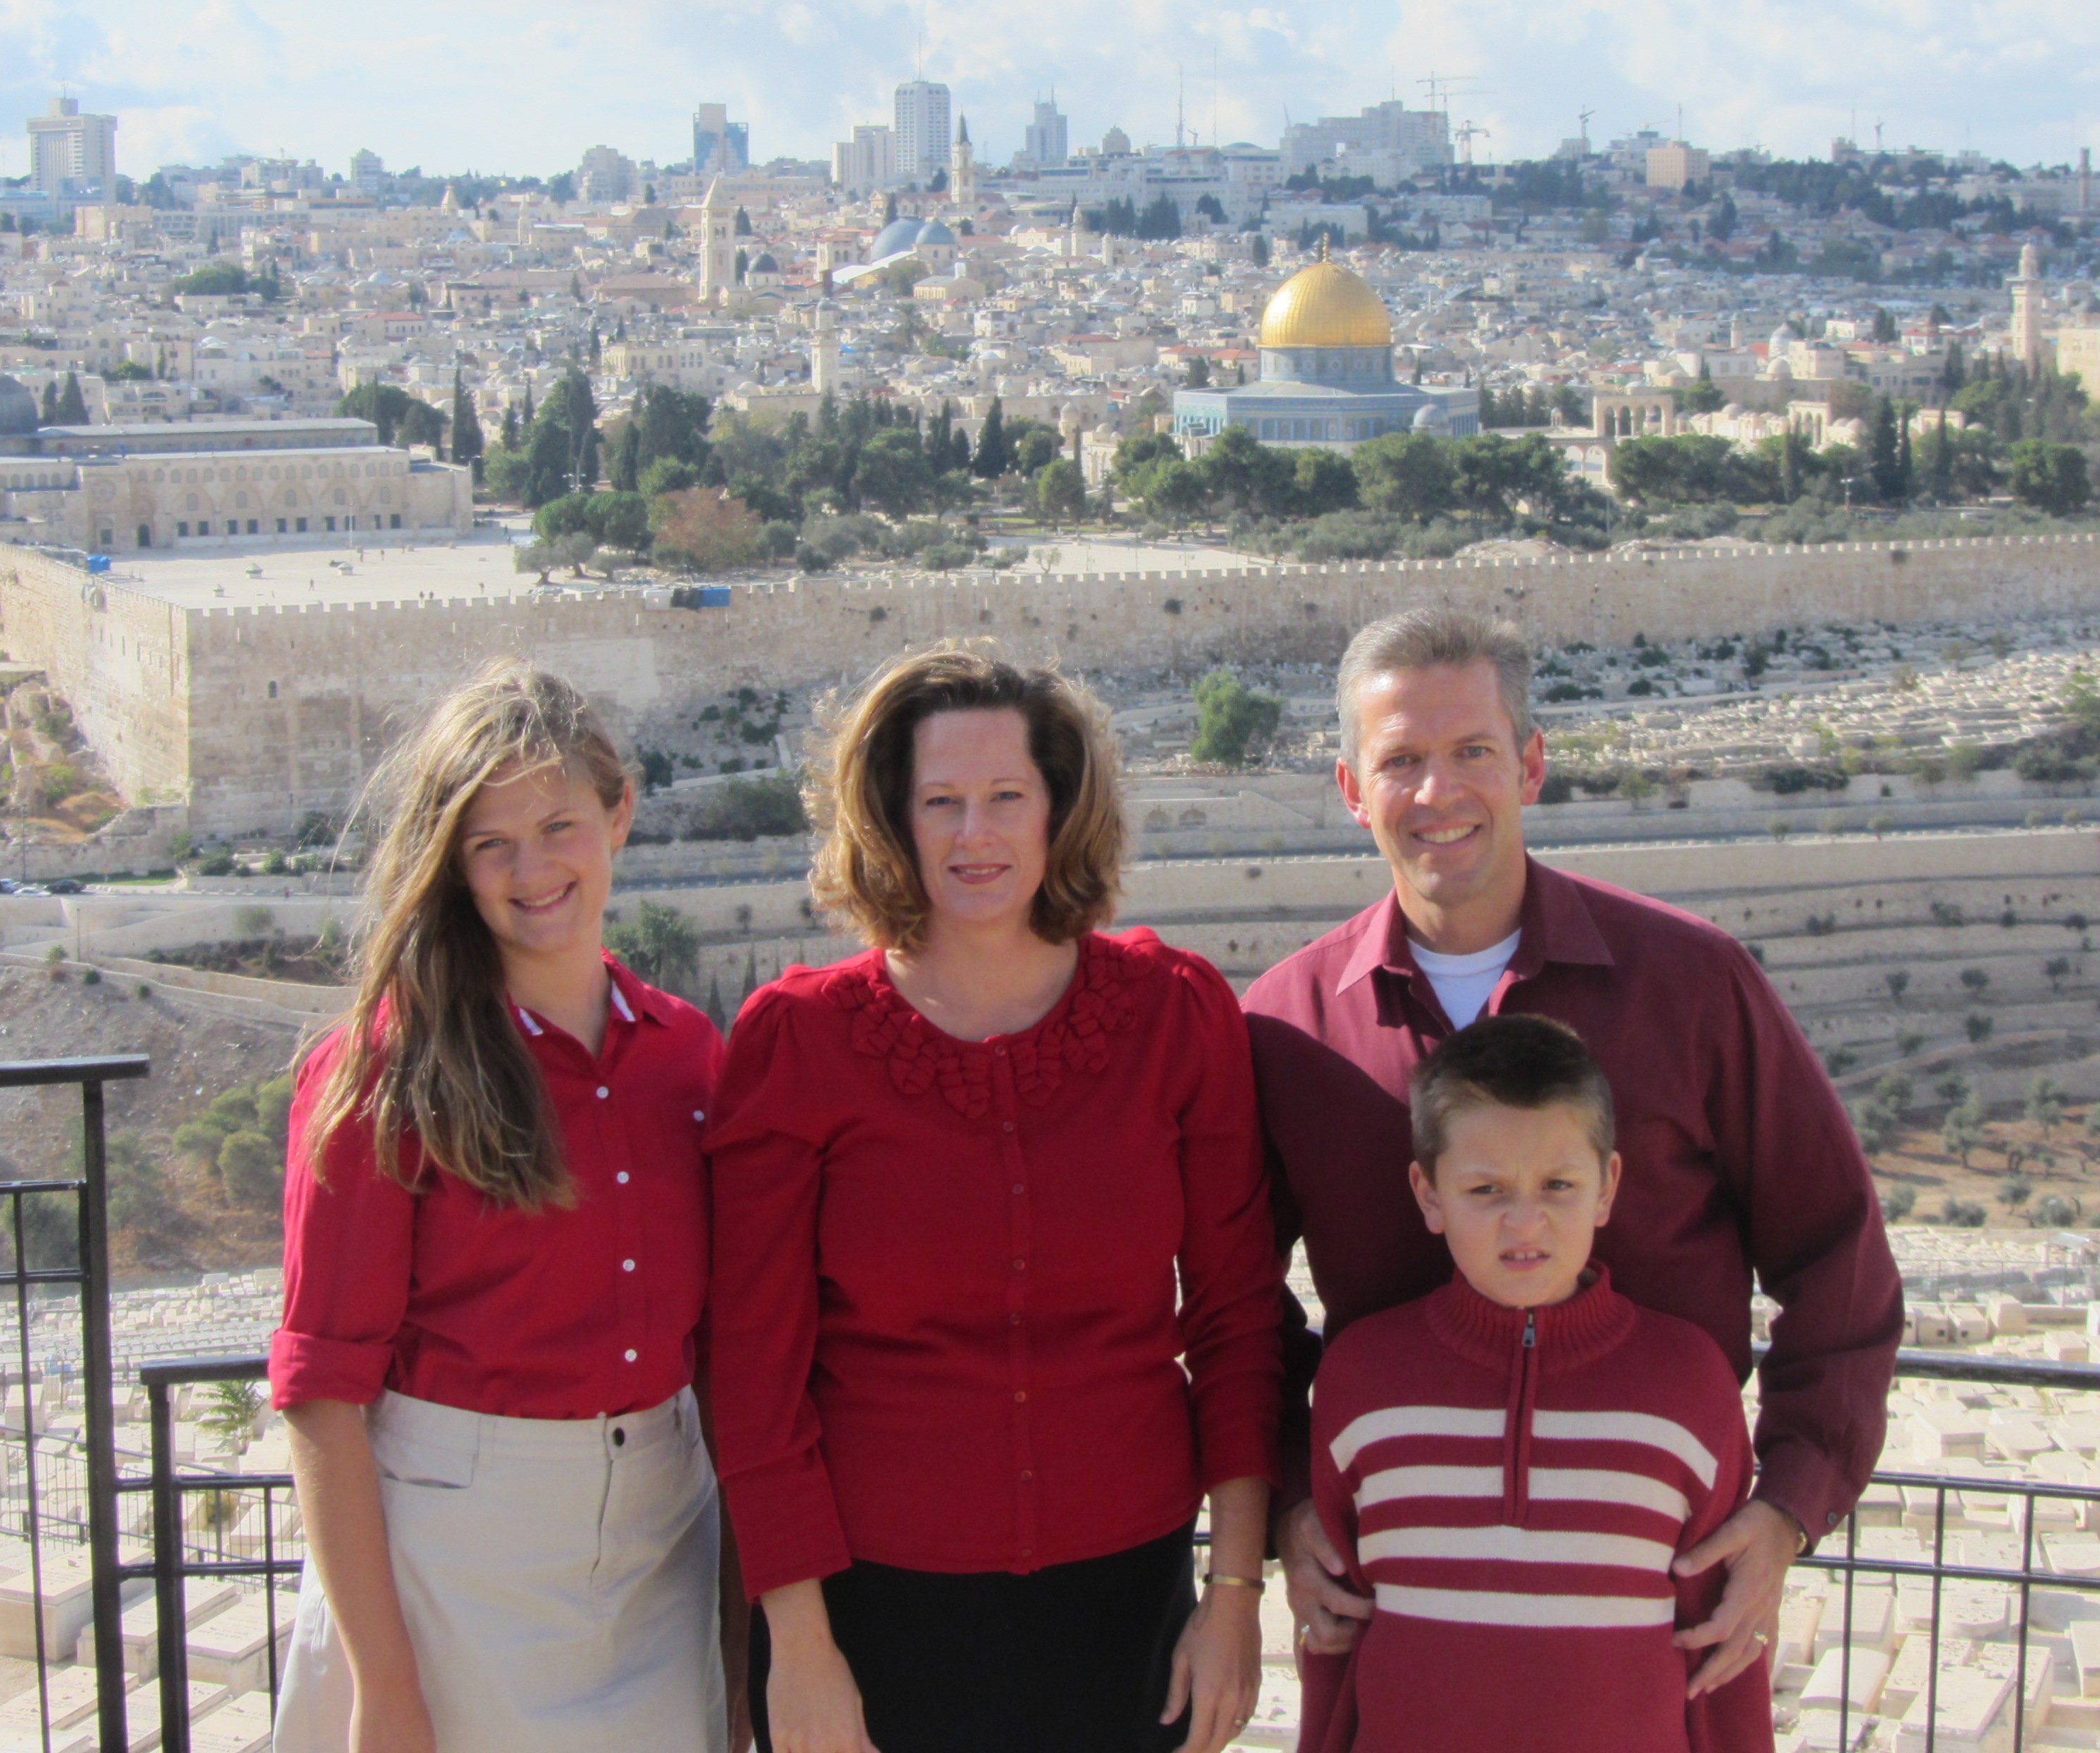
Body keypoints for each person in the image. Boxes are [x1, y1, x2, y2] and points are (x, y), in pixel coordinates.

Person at [1243, 607, 1902, 1732]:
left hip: (1649, 1627)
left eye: (1472, 753)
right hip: (1406, 1630)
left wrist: (1791, 1508)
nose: (1437, 792)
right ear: (1353, 790)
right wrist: (1291, 1499)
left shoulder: (1693, 986)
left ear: (1532, 766)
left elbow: (1835, 1248)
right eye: (1399, 761)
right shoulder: (1288, 1025)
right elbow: (1232, 1300)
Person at [708, 646, 1282, 1753]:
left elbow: (1236, 1318)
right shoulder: (799, 1043)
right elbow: (754, 1371)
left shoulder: (1175, 1015)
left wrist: (1237, 1595)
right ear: (891, 817)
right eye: (941, 802)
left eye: (1007, 796)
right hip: (873, 1617)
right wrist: (804, 1651)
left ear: (1060, 807)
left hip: (1130, 1606)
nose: (976, 834)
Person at [269, 661, 730, 1753]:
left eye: (559, 824)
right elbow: (322, 1395)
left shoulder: (690, 1057)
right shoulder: (382, 1074)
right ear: (452, 864)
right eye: (491, 844)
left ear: (619, 815)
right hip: (455, 1549)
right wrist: (383, 1684)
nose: (533, 871)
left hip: (663, 1535)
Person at [1306, 1014, 1768, 1753]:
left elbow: (1722, 1649)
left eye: (1557, 1184)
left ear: (1607, 1185)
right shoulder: (1361, 1381)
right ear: (1428, 1195)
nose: (1526, 1223)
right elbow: (1335, 1639)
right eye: (1486, 1189)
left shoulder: (1687, 1384)